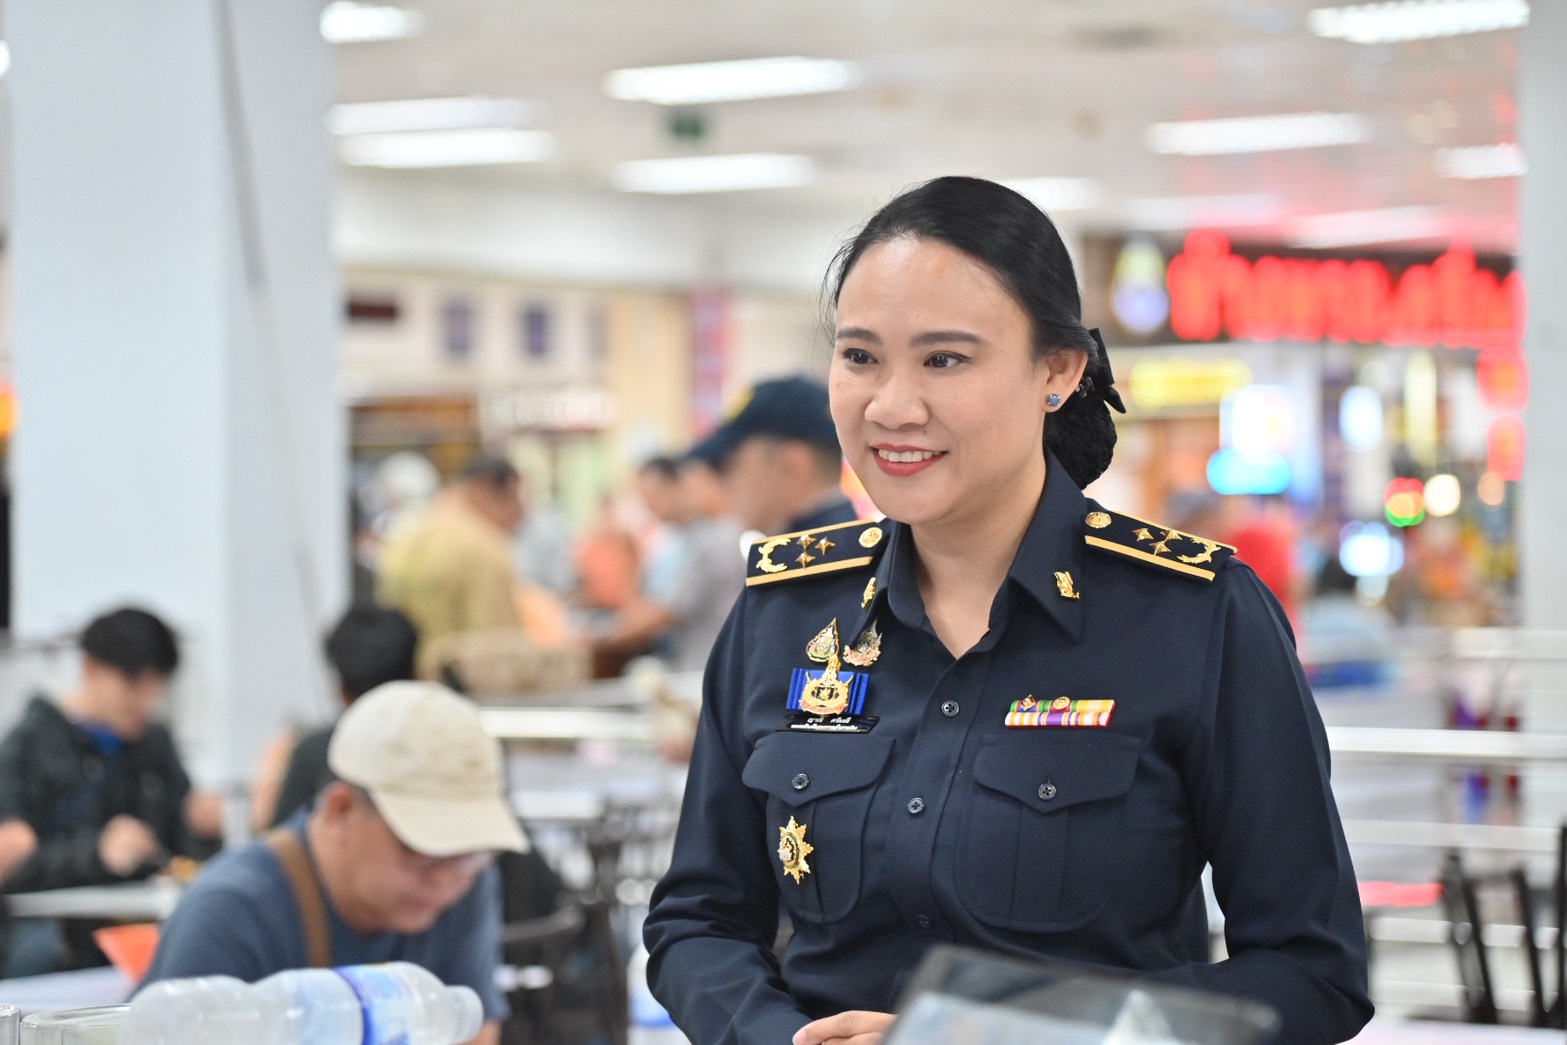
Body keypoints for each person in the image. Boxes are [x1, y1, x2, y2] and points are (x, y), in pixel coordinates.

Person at [643, 177, 1372, 1045]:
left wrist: (1005, 1035)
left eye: (944, 360)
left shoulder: (1192, 616)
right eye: (860, 356)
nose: (891, 406)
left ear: (1056, 371)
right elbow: (698, 919)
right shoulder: (784, 612)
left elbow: (1310, 968)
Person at [142, 681, 523, 1045]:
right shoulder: (230, 915)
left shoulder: (464, 886)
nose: (444, 879)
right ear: (341, 811)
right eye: (421, 853)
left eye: (469, 855)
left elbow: (474, 1033)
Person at [0, 607, 221, 973]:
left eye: (156, 688)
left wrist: (201, 830)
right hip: (57, 943)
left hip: (144, 930)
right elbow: (14, 863)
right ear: (91, 668)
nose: (145, 702)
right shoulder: (28, 747)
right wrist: (97, 854)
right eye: (134, 685)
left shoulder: (153, 745)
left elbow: (178, 855)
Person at [251, 604, 420, 830]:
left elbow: (282, 841)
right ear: (417, 676)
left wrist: (270, 778)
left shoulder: (315, 755)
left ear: (340, 691)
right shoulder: (440, 748)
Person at [592, 454, 746, 674]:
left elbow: (664, 612)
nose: (649, 506)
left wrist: (602, 637)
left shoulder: (716, 539)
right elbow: (646, 602)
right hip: (691, 660)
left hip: (705, 665)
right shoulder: (680, 540)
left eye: (653, 495)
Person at [377, 454, 526, 664]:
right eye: (516, 500)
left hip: (404, 676)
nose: (521, 515)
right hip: (457, 680)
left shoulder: (403, 535)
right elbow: (500, 648)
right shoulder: (483, 547)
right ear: (485, 490)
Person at [692, 376, 858, 536]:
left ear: (791, 468)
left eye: (730, 466)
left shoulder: (809, 550)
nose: (723, 483)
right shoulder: (844, 542)